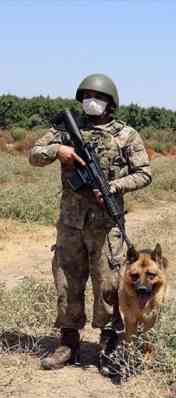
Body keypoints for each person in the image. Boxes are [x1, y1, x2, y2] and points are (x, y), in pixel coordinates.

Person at [29, 74, 152, 371]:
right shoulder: (64, 130)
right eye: (85, 96)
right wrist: (57, 150)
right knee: (66, 282)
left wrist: (115, 186)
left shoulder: (126, 134)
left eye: (96, 97)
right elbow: (34, 155)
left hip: (106, 225)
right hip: (71, 223)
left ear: (110, 102)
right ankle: (68, 342)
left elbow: (144, 173)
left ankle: (108, 343)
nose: (90, 101)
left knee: (108, 285)